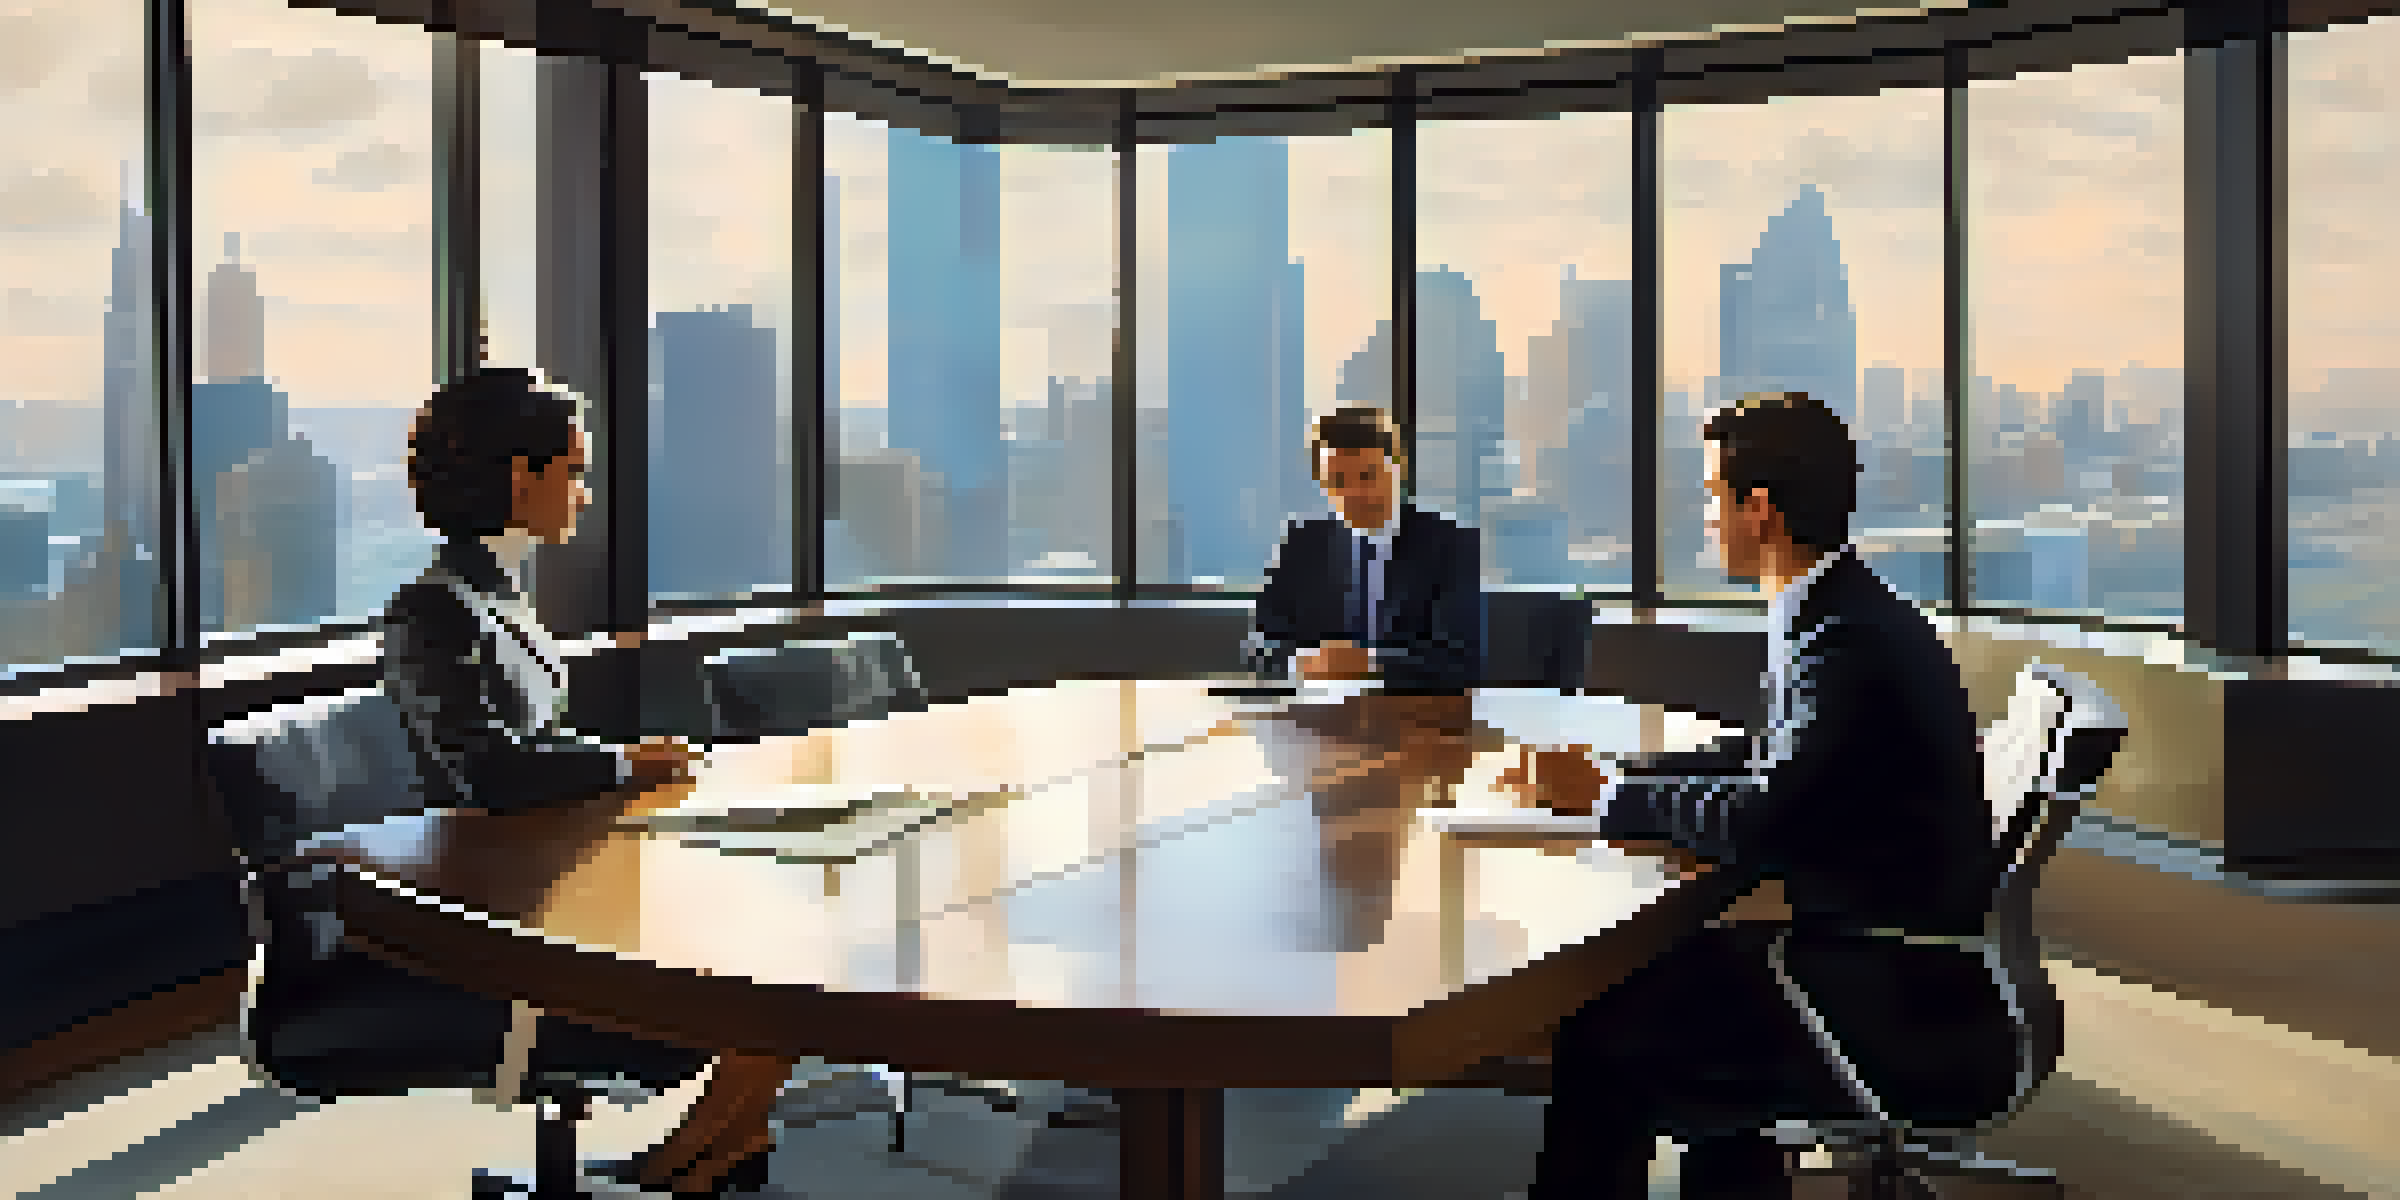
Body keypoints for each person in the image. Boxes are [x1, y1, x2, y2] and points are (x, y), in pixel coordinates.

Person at [1512, 391, 2018, 1199]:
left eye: (1714, 498)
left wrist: (1607, 798)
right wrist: (1627, 776)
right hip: (1882, 951)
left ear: (1761, 509)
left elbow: (1759, 821)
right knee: (1659, 980)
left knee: (1606, 1026)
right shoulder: (1840, 613)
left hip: (1892, 991)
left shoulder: (1843, 641)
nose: (1705, 517)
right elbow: (1772, 764)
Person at [386, 366, 793, 1196]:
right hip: (508, 918)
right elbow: (490, 770)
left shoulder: (494, 595)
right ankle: (705, 1151)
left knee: (781, 931)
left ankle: (713, 1141)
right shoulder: (434, 611)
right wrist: (620, 763)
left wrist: (626, 766)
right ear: (517, 477)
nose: (583, 490)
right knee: (774, 957)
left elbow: (530, 750)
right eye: (572, 471)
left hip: (552, 879)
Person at [1244, 406, 1484, 693]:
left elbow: (1459, 661)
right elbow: (1258, 648)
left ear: (1399, 466)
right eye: (1337, 481)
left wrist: (1369, 663)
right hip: (1317, 722)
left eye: (1367, 476)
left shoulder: (1451, 544)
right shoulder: (1301, 544)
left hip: (1413, 719)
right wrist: (1305, 662)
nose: (1353, 494)